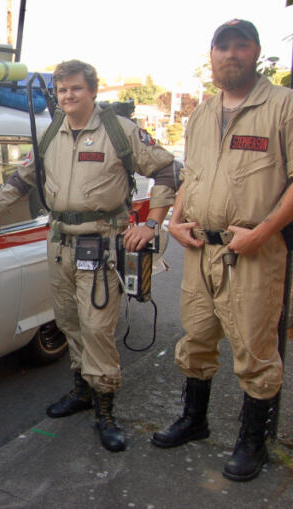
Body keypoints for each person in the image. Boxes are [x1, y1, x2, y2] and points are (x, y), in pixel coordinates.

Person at [0, 60, 175, 452]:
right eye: (62, 90)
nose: (68, 95)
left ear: (92, 91)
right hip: (60, 244)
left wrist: (152, 224)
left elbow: (166, 169)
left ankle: (105, 409)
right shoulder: (51, 134)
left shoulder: (119, 130)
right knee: (69, 322)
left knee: (97, 328)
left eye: (76, 88)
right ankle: (82, 391)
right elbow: (21, 180)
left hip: (102, 244)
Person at [151, 19, 293, 482]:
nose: (231, 54)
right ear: (211, 55)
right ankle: (194, 420)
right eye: (223, 47)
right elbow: (190, 177)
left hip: (252, 251)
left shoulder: (284, 106)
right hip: (200, 251)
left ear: (255, 52)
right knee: (196, 338)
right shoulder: (202, 114)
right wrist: (174, 220)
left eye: (241, 46)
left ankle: (253, 442)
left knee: (254, 349)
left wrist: (262, 233)